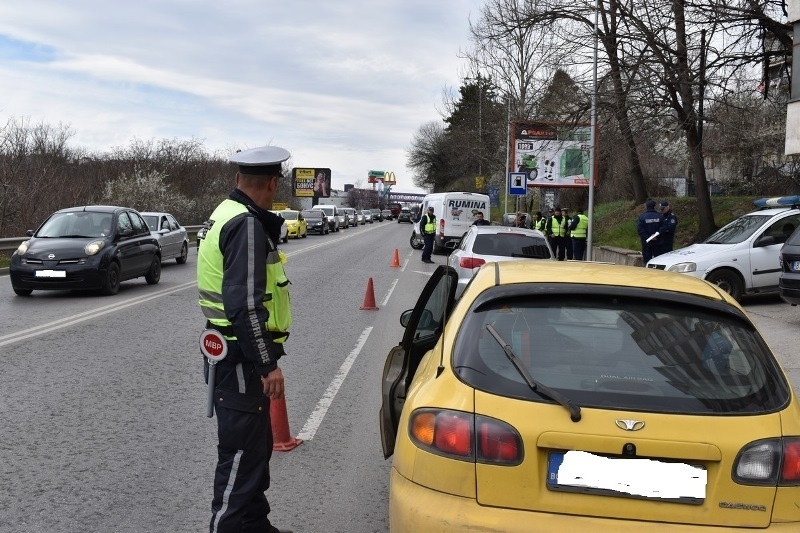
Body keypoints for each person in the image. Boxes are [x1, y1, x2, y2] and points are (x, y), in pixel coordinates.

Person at [197, 146, 294, 533]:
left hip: (227, 351)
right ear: (272, 184)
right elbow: (246, 306)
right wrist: (267, 364)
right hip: (240, 357)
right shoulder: (247, 225)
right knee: (239, 456)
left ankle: (256, 528)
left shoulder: (224, 213)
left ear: (238, 180)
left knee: (255, 452)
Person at [637, 199, 663, 265]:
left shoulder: (642, 217)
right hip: (658, 242)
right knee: (658, 261)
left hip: (646, 243)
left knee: (647, 261)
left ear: (646, 206)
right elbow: (663, 228)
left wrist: (649, 237)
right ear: (654, 206)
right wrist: (656, 236)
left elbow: (640, 230)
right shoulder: (660, 216)